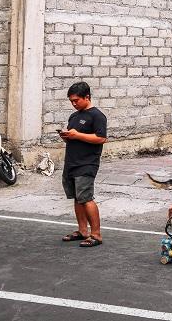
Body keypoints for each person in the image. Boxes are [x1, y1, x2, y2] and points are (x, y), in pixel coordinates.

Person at [59, 81, 108, 248]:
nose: (73, 104)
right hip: (71, 162)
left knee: (86, 198)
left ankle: (96, 234)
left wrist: (77, 135)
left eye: (76, 100)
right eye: (71, 101)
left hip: (87, 163)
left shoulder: (97, 116)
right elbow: (74, 136)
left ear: (87, 97)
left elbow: (101, 138)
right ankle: (83, 231)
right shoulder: (74, 116)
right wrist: (67, 136)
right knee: (77, 198)